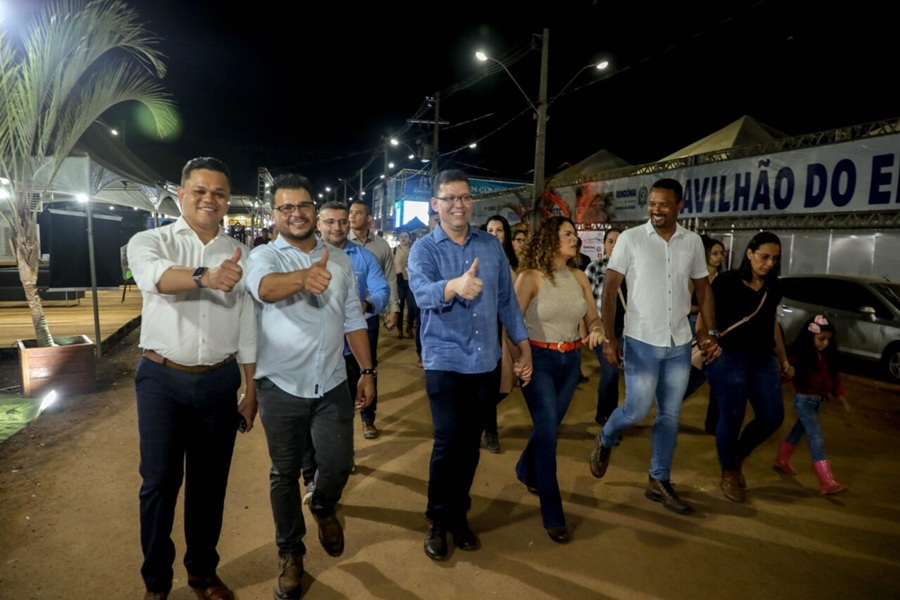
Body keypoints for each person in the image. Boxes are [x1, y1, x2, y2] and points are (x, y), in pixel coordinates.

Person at [128, 157, 257, 600]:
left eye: (218, 193)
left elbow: (246, 324)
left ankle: (203, 570)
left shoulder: (242, 256)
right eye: (199, 190)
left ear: (227, 202)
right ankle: (157, 583)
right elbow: (153, 278)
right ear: (180, 194)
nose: (209, 199)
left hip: (219, 383)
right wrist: (205, 276)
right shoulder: (150, 240)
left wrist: (250, 386)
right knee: (160, 483)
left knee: (209, 484)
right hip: (162, 380)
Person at [246, 174, 375, 600]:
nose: (296, 214)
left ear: (314, 212)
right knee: (283, 473)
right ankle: (290, 552)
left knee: (338, 464)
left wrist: (368, 371)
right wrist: (303, 278)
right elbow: (264, 290)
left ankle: (322, 505)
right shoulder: (264, 255)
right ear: (274, 214)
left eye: (303, 206)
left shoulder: (339, 261)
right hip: (280, 386)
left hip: (333, 382)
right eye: (286, 208)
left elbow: (354, 318)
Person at [408, 169, 533, 560]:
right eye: (449, 198)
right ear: (435, 204)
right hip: (444, 360)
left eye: (463, 197)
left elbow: (507, 302)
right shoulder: (424, 249)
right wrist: (453, 286)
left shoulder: (490, 246)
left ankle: (460, 514)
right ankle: (438, 520)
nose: (457, 205)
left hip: (485, 362)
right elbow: (423, 293)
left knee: (470, 444)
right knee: (448, 441)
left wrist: (521, 345)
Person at [589, 178, 719, 516]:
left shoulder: (692, 242)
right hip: (642, 340)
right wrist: (609, 337)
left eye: (664, 203)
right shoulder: (631, 239)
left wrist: (709, 333)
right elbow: (611, 288)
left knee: (670, 415)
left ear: (679, 206)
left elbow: (703, 289)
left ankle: (658, 479)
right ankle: (605, 437)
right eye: (652, 202)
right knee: (636, 409)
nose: (656, 209)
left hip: (678, 341)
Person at [514, 216, 604, 543]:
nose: (575, 238)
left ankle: (525, 469)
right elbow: (511, 321)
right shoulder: (529, 277)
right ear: (550, 239)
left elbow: (592, 317)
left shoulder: (579, 276)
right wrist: (518, 358)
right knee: (549, 433)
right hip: (538, 360)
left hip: (571, 362)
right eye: (567, 233)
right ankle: (553, 514)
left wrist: (596, 330)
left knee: (547, 426)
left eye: (575, 233)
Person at [701, 231, 792, 503]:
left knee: (772, 415)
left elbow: (771, 322)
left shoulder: (773, 287)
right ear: (749, 253)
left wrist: (783, 357)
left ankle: (738, 454)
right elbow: (707, 317)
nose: (769, 263)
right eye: (764, 257)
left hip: (762, 358)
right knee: (732, 415)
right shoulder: (727, 281)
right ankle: (728, 471)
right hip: (729, 357)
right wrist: (708, 341)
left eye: (774, 259)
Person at [318, 201, 390, 441]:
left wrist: (367, 305)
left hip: (352, 346)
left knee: (355, 393)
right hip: (317, 347)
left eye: (342, 221)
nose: (337, 227)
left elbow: (382, 289)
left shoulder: (364, 257)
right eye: (330, 222)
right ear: (319, 224)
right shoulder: (305, 256)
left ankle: (363, 423)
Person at [775, 315, 852, 494]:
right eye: (821, 339)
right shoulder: (801, 357)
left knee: (797, 431)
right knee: (816, 438)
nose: (825, 343)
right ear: (810, 337)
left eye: (828, 340)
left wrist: (844, 402)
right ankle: (826, 481)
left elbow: (834, 381)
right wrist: (780, 378)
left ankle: (782, 459)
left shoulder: (827, 358)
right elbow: (785, 375)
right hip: (804, 401)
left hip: (818, 403)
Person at [348, 201, 400, 437]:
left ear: (369, 218)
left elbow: (390, 279)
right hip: (336, 319)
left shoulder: (381, 246)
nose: (352, 217)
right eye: (350, 212)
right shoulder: (337, 242)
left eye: (358, 213)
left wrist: (393, 308)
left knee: (368, 365)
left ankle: (368, 417)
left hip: (368, 315)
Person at [480, 214, 518, 453]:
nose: (495, 234)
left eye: (500, 230)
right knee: (491, 380)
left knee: (508, 382)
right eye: (490, 230)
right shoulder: (478, 259)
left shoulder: (515, 264)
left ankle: (476, 415)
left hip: (509, 329)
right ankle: (489, 429)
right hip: (486, 327)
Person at [585, 228, 624, 426]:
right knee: (610, 371)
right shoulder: (594, 268)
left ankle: (612, 414)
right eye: (610, 241)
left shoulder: (632, 271)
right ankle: (605, 415)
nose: (614, 245)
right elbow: (585, 301)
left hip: (625, 332)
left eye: (618, 241)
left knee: (614, 372)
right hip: (602, 330)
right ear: (605, 244)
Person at [393, 231, 416, 340]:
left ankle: (409, 326)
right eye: (401, 236)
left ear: (410, 239)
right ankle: (399, 329)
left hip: (411, 281)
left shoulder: (415, 250)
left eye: (406, 236)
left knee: (412, 306)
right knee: (400, 306)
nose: (403, 238)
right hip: (399, 281)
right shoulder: (394, 251)